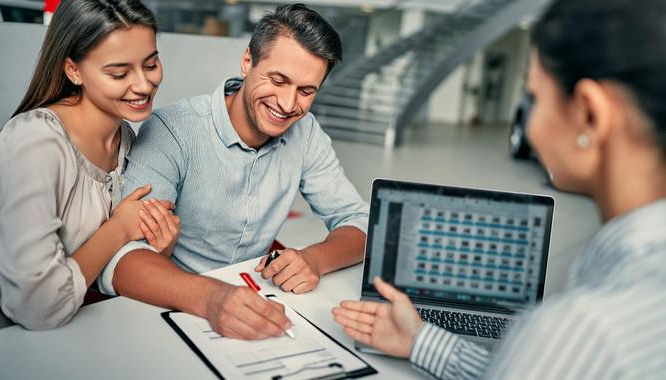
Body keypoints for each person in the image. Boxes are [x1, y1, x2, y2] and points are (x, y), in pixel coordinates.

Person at [333, 0, 666, 378]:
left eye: (535, 98)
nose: (531, 126)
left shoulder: (580, 331)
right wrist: (421, 339)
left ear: (590, 115)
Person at [94, 3, 369, 341]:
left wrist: (315, 259)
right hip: (172, 308)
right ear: (247, 62)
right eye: (278, 80)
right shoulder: (173, 131)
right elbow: (123, 259)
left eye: (305, 91)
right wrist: (212, 298)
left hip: (255, 300)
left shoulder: (306, 133)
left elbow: (358, 221)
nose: (287, 104)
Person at [0, 0, 179, 331]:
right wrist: (120, 229)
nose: (143, 85)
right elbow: (35, 308)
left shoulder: (125, 136)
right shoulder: (35, 143)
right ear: (73, 70)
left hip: (84, 322)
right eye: (119, 73)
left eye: (150, 65)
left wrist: (159, 245)